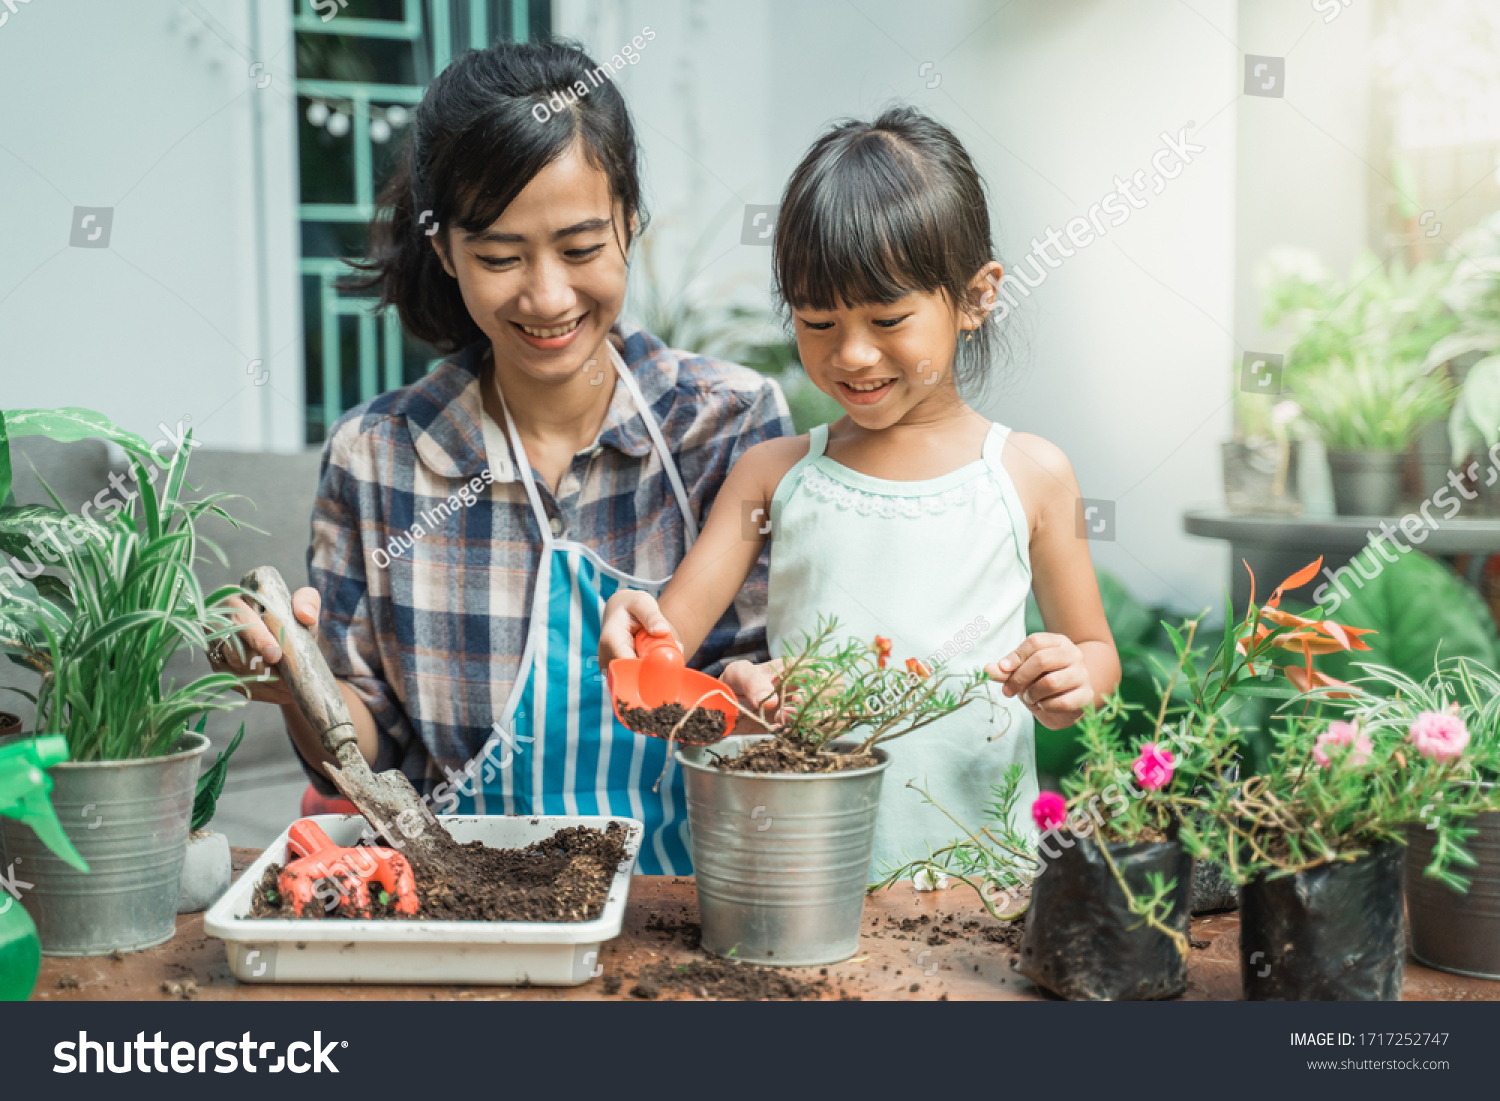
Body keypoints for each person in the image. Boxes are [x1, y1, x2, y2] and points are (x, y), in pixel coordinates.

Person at [213, 40, 791, 875]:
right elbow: (366, 753)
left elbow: (780, 680)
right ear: (444, 251)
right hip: (470, 909)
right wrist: (291, 678)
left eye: (583, 247)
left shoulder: (733, 429)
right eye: (499, 257)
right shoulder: (378, 459)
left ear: (631, 222)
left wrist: (764, 694)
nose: (548, 296)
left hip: (696, 910)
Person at [599, 106, 1121, 872]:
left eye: (887, 317)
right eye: (816, 321)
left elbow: (1097, 652)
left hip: (984, 888)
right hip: (804, 881)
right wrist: (707, 686)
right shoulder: (772, 477)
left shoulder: (1031, 474)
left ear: (976, 297)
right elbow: (651, 686)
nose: (851, 353)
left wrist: (1073, 678)